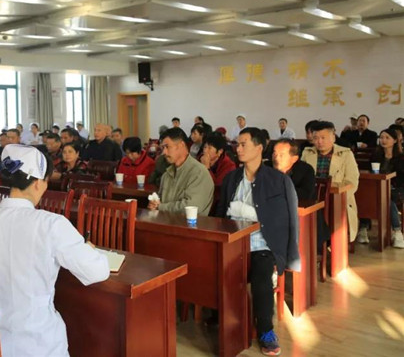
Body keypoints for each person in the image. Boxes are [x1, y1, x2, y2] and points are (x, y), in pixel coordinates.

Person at [0, 144, 109, 356]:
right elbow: (97, 271)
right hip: (37, 342)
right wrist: (90, 250)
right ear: (37, 183)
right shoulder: (51, 224)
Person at [215, 128, 299, 356]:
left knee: (261, 277)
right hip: (233, 243)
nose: (238, 148)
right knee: (212, 268)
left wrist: (290, 257)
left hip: (263, 244)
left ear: (259, 148)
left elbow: (285, 219)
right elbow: (222, 214)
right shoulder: (232, 178)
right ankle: (222, 319)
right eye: (237, 144)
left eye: (244, 144)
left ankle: (266, 331)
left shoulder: (278, 180)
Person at [302, 121, 360, 243]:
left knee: (335, 220)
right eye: (316, 138)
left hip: (337, 200)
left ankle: (333, 246)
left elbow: (352, 181)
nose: (319, 141)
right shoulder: (307, 153)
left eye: (323, 138)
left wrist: (335, 193)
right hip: (313, 199)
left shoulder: (345, 154)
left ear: (333, 137)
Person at [147, 128, 214, 215]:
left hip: (190, 223)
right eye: (163, 148)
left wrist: (161, 207)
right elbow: (159, 201)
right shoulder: (166, 175)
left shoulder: (199, 173)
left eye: (167, 147)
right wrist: (154, 203)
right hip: (166, 221)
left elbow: (191, 207)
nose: (164, 152)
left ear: (181, 145)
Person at [366, 129, 404, 248]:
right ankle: (363, 228)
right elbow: (369, 170)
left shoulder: (401, 157)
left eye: (387, 138)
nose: (383, 140)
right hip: (378, 186)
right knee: (365, 196)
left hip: (397, 188)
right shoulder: (376, 155)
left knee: (387, 198)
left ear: (395, 140)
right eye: (381, 137)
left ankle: (397, 232)